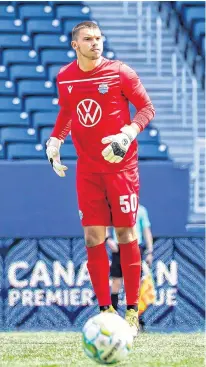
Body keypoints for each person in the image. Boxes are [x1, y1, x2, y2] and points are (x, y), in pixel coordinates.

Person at [46, 21, 155, 336]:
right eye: (88, 39)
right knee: (93, 238)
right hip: (88, 169)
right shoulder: (65, 78)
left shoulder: (121, 72)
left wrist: (128, 133)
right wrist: (56, 141)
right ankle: (106, 311)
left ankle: (132, 312)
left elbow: (146, 108)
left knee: (125, 236)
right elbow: (68, 112)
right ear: (75, 45)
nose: (96, 43)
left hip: (121, 168)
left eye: (99, 38)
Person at [106, 204, 153, 330]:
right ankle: (112, 317)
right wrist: (108, 238)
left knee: (134, 285)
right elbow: (104, 224)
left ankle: (135, 318)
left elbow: (146, 231)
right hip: (119, 247)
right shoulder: (115, 207)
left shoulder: (141, 210)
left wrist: (150, 251)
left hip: (135, 247)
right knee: (116, 282)